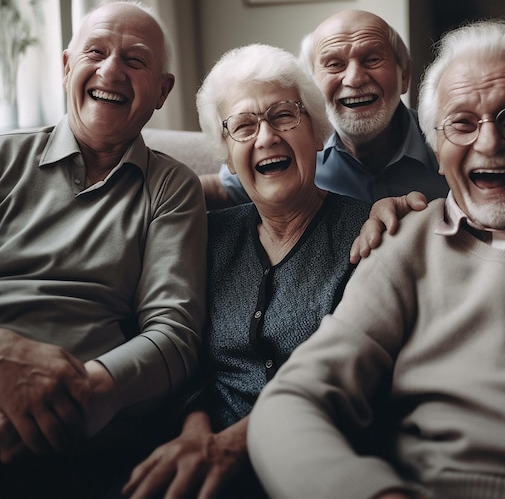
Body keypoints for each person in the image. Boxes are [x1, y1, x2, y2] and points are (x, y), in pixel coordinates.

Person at [247, 19, 505, 499]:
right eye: (462, 123)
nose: (488, 143)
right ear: (437, 148)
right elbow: (291, 401)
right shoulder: (404, 243)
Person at [122, 44, 372, 499]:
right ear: (226, 152)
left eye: (283, 116)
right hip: (196, 455)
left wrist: (234, 446)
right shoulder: (207, 237)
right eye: (243, 126)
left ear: (317, 133)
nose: (266, 137)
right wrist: (198, 437)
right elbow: (185, 361)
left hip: (313, 466)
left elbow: (353, 381)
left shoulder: (367, 235)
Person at [0, 0, 207, 497]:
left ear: (162, 91)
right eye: (95, 52)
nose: (111, 69)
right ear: (68, 66)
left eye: (135, 60)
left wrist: (89, 391)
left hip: (85, 426)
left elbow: (175, 334)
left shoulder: (172, 187)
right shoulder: (5, 159)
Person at [200, 10, 448, 208]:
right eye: (334, 64)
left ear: (404, 76)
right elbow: (220, 190)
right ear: (312, 86)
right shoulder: (293, 148)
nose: (354, 79)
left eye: (372, 60)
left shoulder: (448, 143)